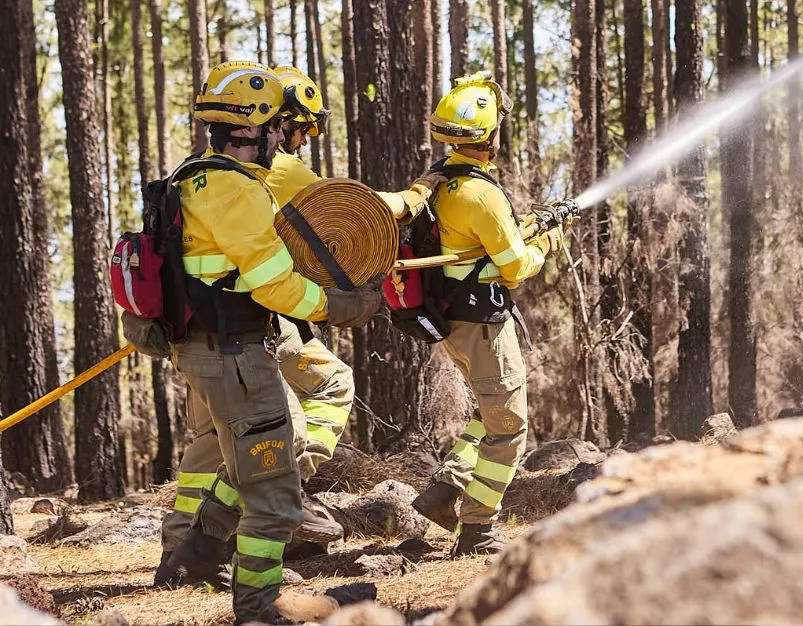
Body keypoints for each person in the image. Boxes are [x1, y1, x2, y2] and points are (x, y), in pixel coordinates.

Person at [158, 65, 443, 583]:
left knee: (213, 437)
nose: (301, 142)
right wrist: (419, 196)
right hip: (239, 330)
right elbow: (361, 210)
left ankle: (186, 548)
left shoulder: (197, 171)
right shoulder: (263, 176)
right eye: (300, 128)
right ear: (270, 123)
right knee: (287, 425)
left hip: (203, 330)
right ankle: (273, 511)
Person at [126, 61, 381, 624]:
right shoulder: (236, 190)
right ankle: (260, 607)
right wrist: (342, 306)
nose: (281, 140)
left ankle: (198, 552)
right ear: (254, 128)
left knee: (250, 464)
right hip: (237, 355)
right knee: (274, 491)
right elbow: (273, 284)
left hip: (207, 350)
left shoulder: (190, 177)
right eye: (278, 129)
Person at [410, 72, 564, 558]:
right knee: (509, 426)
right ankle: (478, 529)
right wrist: (548, 244)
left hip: (453, 322)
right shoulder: (482, 194)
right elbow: (514, 267)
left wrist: (528, 228)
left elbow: (474, 244)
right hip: (483, 323)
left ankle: (444, 490)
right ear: (490, 135)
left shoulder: (439, 181)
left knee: (488, 410)